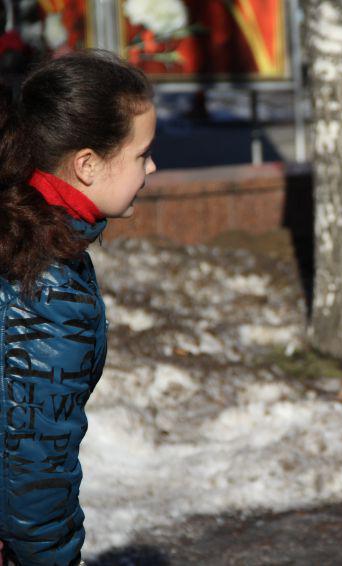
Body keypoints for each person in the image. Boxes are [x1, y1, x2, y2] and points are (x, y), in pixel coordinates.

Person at [0, 50, 156, 566]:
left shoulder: (30, 234)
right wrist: (55, 558)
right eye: (141, 154)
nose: (152, 167)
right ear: (87, 164)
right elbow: (31, 467)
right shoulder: (44, 286)